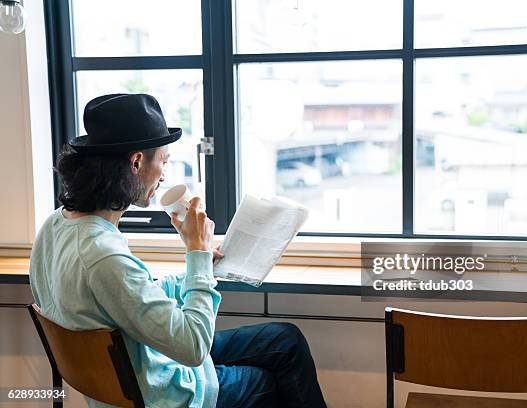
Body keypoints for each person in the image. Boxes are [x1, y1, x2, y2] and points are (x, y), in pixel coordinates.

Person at [29, 93, 327, 408]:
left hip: (138, 367)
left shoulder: (55, 226)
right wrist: (196, 251)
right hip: (163, 393)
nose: (165, 175)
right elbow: (192, 347)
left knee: (284, 339)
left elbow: (129, 297)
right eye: (164, 161)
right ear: (136, 162)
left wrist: (198, 270)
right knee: (265, 382)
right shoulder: (103, 254)